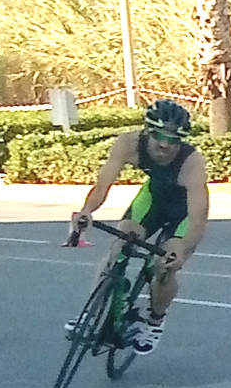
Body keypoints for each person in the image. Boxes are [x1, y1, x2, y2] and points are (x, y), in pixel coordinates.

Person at [69, 100, 209, 356]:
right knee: (120, 243)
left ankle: (155, 320)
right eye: (158, 136)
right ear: (146, 131)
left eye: (173, 139)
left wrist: (182, 249)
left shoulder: (192, 165)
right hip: (153, 199)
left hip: (184, 214)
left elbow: (197, 219)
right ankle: (92, 315)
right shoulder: (128, 144)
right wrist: (87, 212)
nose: (165, 145)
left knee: (162, 266)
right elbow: (102, 187)